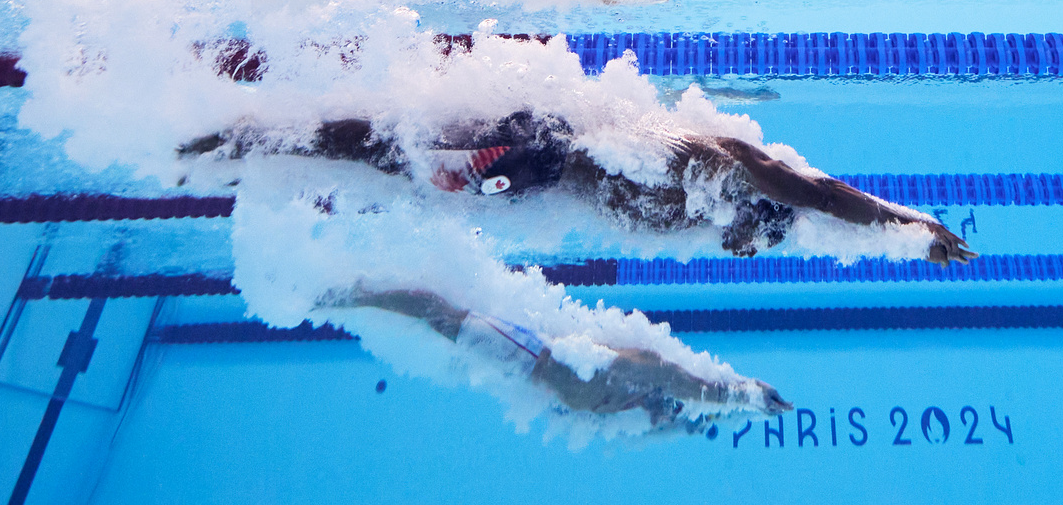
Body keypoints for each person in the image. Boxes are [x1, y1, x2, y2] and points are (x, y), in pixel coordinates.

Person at [182, 108, 976, 264]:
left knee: (403, 166)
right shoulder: (730, 165)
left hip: (534, 174)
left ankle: (264, 144)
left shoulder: (692, 225)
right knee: (403, 157)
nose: (739, 251)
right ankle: (253, 134)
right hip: (541, 148)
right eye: (753, 240)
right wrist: (909, 226)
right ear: (760, 211)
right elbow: (828, 194)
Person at [317, 284, 791, 432]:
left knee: (443, 327)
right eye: (668, 408)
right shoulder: (647, 372)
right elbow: (704, 390)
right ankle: (359, 293)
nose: (662, 416)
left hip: (526, 370)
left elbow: (691, 413)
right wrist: (749, 394)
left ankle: (361, 296)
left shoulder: (624, 407)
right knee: (442, 319)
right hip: (528, 353)